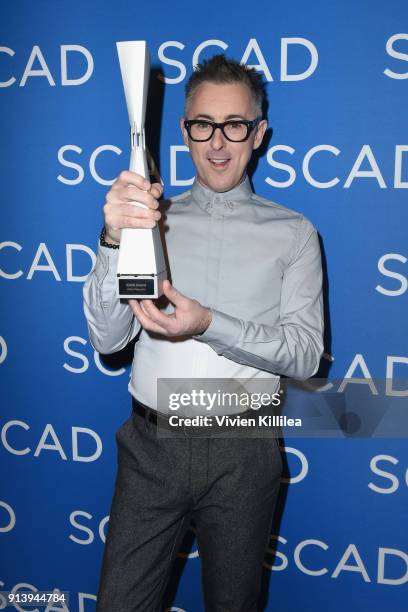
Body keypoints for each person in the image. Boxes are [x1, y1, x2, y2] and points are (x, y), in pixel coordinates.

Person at [83, 54, 324, 612]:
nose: (218, 144)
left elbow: (307, 356)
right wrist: (113, 237)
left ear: (258, 133)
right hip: (151, 447)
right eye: (203, 126)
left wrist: (209, 324)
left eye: (235, 125)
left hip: (244, 449)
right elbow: (106, 340)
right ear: (184, 131)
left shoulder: (294, 234)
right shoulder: (147, 219)